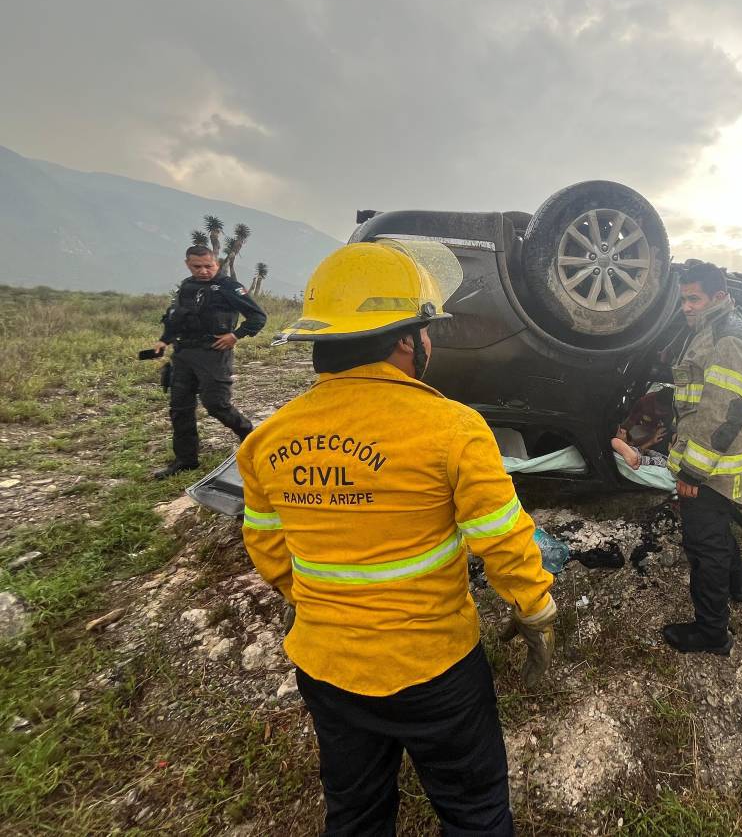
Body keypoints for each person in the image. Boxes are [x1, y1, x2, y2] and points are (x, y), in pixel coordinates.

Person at [238, 240, 556, 837]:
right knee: (474, 813)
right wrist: (536, 608)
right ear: (408, 339)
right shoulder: (453, 428)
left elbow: (269, 553)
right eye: (428, 330)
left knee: (355, 813)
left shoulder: (266, 441)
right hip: (434, 667)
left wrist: (329, 612)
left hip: (327, 668)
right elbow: (502, 539)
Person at [664, 260, 742, 655]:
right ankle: (740, 587)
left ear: (718, 297)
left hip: (710, 467)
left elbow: (725, 410)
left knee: (706, 548)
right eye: (683, 298)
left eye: (694, 298)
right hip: (715, 464)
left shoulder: (728, 337)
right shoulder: (717, 326)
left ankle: (712, 633)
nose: (686, 306)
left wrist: (692, 470)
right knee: (719, 531)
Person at [152, 245, 266, 479]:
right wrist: (164, 340)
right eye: (197, 267)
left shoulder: (229, 287)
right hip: (183, 353)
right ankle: (186, 460)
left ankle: (249, 434)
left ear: (217, 263)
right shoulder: (187, 286)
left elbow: (258, 317)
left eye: (208, 266)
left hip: (213, 353)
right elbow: (175, 317)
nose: (203, 271)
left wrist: (236, 335)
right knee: (179, 408)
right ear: (188, 264)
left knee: (216, 404)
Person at [611, 385, 673, 469]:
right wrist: (651, 439)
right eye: (656, 408)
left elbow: (638, 449)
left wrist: (650, 442)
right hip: (645, 434)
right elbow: (630, 421)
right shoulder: (644, 402)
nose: (657, 412)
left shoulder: (677, 410)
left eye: (662, 411)